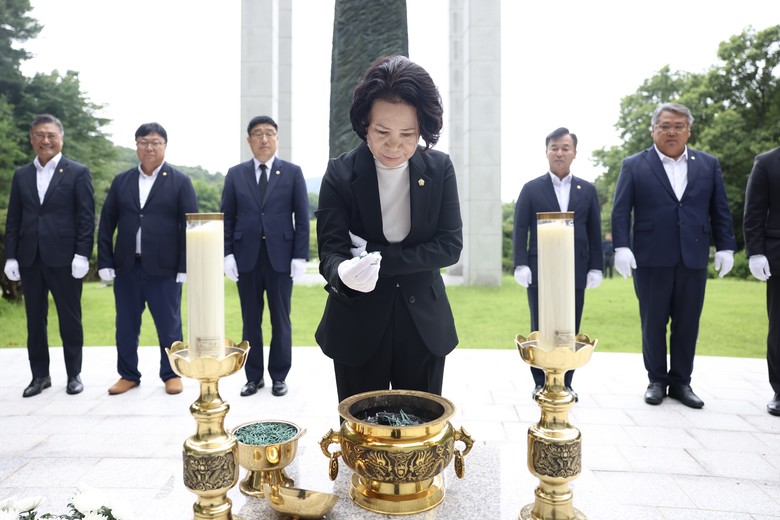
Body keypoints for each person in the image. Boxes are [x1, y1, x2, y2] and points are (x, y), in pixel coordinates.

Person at [315, 55, 463, 405]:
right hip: (357, 325)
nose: (395, 145)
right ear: (365, 124)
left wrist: (377, 258)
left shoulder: (439, 168)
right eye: (382, 132)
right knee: (361, 431)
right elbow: (330, 252)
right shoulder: (340, 174)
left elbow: (449, 246)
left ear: (422, 128)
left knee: (421, 428)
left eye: (407, 134)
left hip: (423, 325)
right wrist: (345, 273)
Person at [612, 102, 736, 409]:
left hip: (693, 255)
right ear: (653, 130)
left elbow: (719, 209)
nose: (672, 132)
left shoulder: (708, 164)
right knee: (653, 321)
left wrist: (726, 246)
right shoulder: (634, 164)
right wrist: (621, 247)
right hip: (650, 257)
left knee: (688, 321)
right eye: (665, 126)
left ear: (688, 131)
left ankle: (681, 382)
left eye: (679, 126)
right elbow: (620, 209)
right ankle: (656, 380)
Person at [97, 122, 198, 395]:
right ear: (136, 146)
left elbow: (190, 225)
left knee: (169, 326)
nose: (149, 147)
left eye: (155, 142)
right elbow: (107, 223)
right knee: (126, 326)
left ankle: (172, 374)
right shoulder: (122, 181)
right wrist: (105, 261)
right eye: (143, 142)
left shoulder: (180, 181)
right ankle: (128, 374)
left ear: (165, 146)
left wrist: (185, 265)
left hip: (165, 269)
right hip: (128, 267)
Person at [4, 114, 95, 397]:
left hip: (66, 259)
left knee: (70, 318)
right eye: (40, 135)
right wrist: (11, 256)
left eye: (51, 135)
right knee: (35, 319)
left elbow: (86, 218)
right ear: (32, 139)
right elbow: (14, 218)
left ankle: (74, 374)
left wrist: (82, 254)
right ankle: (40, 376)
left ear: (61, 139)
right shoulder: (22, 175)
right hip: (30, 258)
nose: (46, 140)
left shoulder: (77, 172)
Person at [221, 115, 310, 398]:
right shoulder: (235, 174)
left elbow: (302, 218)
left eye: (270, 133)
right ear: (249, 140)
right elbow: (227, 218)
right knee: (250, 320)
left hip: (281, 259)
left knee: (281, 320)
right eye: (258, 134)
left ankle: (279, 376)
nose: (264, 139)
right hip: (246, 258)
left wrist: (300, 256)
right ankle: (253, 377)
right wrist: (227, 254)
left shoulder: (292, 173)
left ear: (276, 139)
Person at [513, 127, 603, 402]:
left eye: (565, 147)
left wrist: (596, 266)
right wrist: (520, 264)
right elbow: (520, 228)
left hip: (576, 269)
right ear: (547, 152)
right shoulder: (531, 188)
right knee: (541, 323)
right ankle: (540, 382)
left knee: (569, 326)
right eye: (554, 147)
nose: (560, 153)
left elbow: (594, 230)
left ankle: (566, 382)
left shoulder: (587, 190)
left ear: (574, 152)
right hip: (540, 269)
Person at [743, 145, 780, 416]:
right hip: (779, 256)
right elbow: (754, 211)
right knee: (779, 328)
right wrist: (755, 252)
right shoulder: (767, 162)